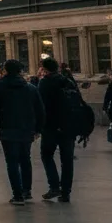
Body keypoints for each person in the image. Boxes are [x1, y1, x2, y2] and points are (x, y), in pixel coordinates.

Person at [0, 59, 43, 205]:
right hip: (26, 129)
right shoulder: (30, 88)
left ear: (5, 71)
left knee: (12, 162)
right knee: (25, 159)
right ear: (20, 71)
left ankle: (17, 195)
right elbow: (40, 110)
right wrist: (38, 129)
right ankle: (27, 191)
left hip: (8, 129)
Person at [38, 57, 77, 203]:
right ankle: (66, 192)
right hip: (68, 126)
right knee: (67, 160)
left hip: (50, 126)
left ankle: (54, 186)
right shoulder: (68, 82)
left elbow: (40, 105)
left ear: (45, 69)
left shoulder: (44, 83)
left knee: (47, 155)